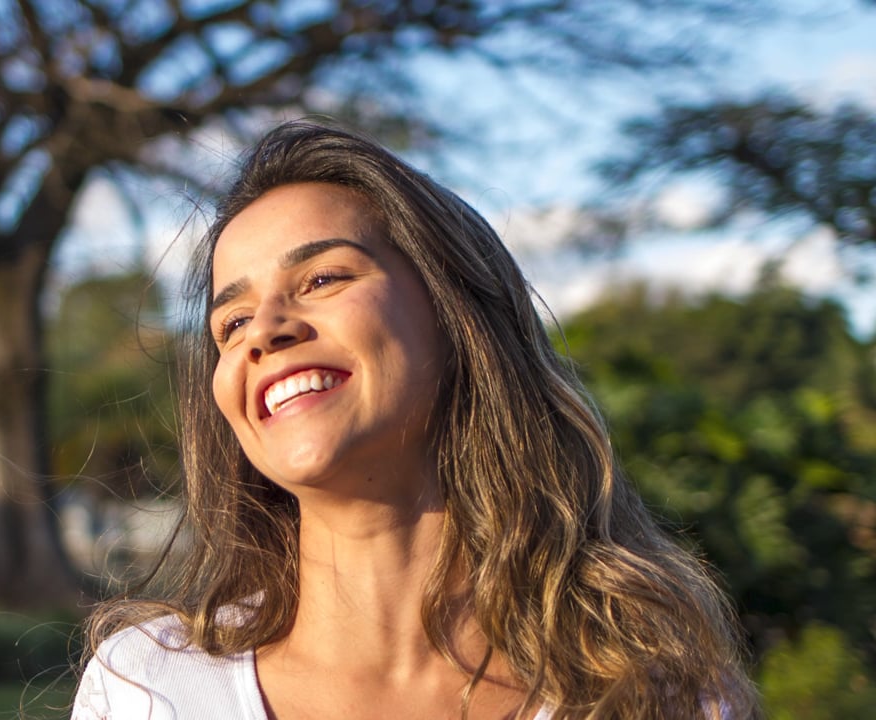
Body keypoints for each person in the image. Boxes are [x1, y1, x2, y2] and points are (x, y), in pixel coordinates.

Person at [72, 121, 758, 719]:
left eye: (322, 279)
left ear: (456, 317)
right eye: (233, 321)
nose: (265, 332)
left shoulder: (646, 695)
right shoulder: (148, 690)